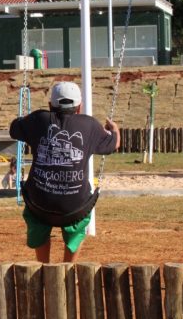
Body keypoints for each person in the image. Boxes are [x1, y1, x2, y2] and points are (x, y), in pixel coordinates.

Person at [9, 81, 120, 263]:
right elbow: (113, 145)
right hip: (75, 209)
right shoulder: (90, 125)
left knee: (37, 219)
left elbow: (14, 129)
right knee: (78, 221)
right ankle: (68, 266)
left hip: (39, 206)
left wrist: (27, 120)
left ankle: (43, 265)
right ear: (79, 107)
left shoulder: (38, 120)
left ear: (50, 105)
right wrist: (115, 130)